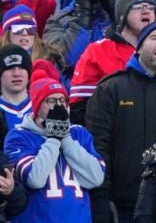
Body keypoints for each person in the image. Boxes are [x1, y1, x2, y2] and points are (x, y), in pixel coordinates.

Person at [84, 19, 156, 221]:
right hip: (123, 204)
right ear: (139, 46)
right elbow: (98, 147)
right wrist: (101, 199)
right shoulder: (111, 88)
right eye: (154, 38)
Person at [5, 75, 104, 220]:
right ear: (37, 106)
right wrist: (53, 139)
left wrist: (66, 138)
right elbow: (34, 179)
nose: (59, 106)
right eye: (51, 101)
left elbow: (96, 178)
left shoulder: (79, 133)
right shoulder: (18, 136)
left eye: (63, 100)